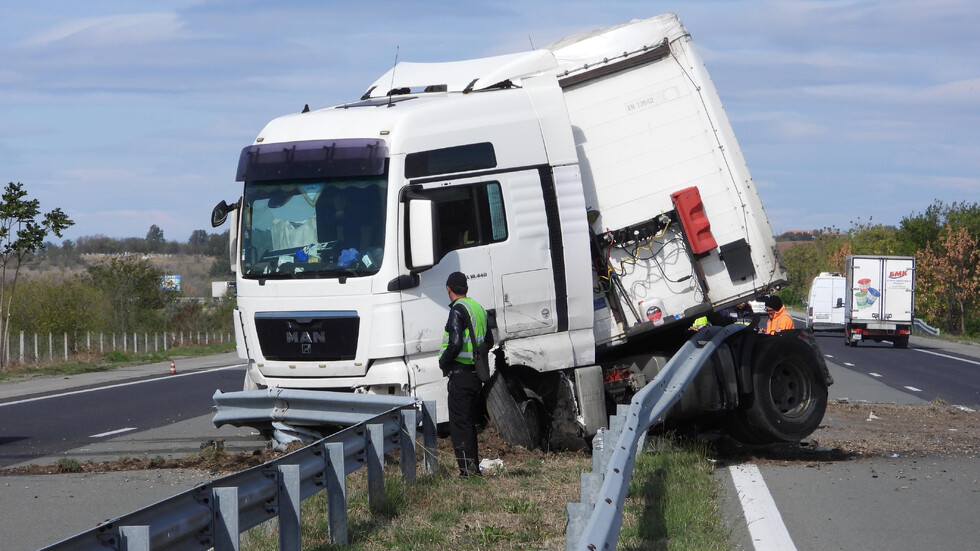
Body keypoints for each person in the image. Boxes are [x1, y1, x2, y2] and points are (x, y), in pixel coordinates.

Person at [438, 271, 493, 477]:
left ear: (448, 289)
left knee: (459, 424)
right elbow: (489, 341)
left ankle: (467, 471)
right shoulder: (478, 308)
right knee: (469, 422)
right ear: (466, 289)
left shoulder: (457, 311)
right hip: (475, 374)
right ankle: (472, 468)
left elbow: (455, 343)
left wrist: (443, 361)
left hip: (460, 374)